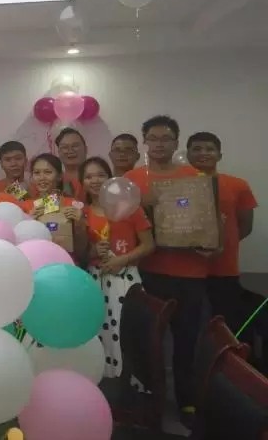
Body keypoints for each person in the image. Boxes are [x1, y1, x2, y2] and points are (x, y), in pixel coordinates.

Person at [124, 115, 205, 425]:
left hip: (190, 273)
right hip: (149, 271)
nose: (159, 144)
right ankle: (150, 399)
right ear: (145, 142)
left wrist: (210, 241)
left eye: (166, 138)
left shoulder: (195, 178)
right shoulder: (131, 179)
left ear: (176, 142)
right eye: (153, 138)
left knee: (186, 340)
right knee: (147, 341)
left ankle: (187, 402)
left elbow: (208, 222)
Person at [81, 157, 155, 378]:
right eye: (88, 177)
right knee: (99, 331)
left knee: (127, 332)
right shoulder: (82, 213)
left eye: (100, 175)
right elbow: (82, 253)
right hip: (95, 280)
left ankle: (131, 381)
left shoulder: (130, 207)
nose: (95, 180)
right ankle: (104, 378)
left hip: (126, 279)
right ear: (82, 182)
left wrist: (121, 260)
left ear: (111, 178)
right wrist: (94, 251)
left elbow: (149, 245)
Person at [187, 131, 258, 335]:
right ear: (188, 154)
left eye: (210, 149)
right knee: (188, 327)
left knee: (227, 327)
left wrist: (220, 243)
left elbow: (245, 226)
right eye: (197, 149)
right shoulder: (176, 186)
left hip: (224, 269)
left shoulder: (238, 185)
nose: (203, 153)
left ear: (219, 155)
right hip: (186, 269)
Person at [20, 153, 88, 262]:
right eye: (37, 173)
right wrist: (28, 222)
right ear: (32, 177)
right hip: (37, 264)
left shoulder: (73, 205)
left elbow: (83, 251)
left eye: (48, 172)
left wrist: (80, 225)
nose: (42, 178)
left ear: (59, 176)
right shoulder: (25, 207)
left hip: (67, 264)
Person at [55, 128, 87, 198]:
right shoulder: (53, 181)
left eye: (75, 146)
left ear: (86, 149)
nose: (70, 150)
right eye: (65, 147)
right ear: (58, 152)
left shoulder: (97, 179)